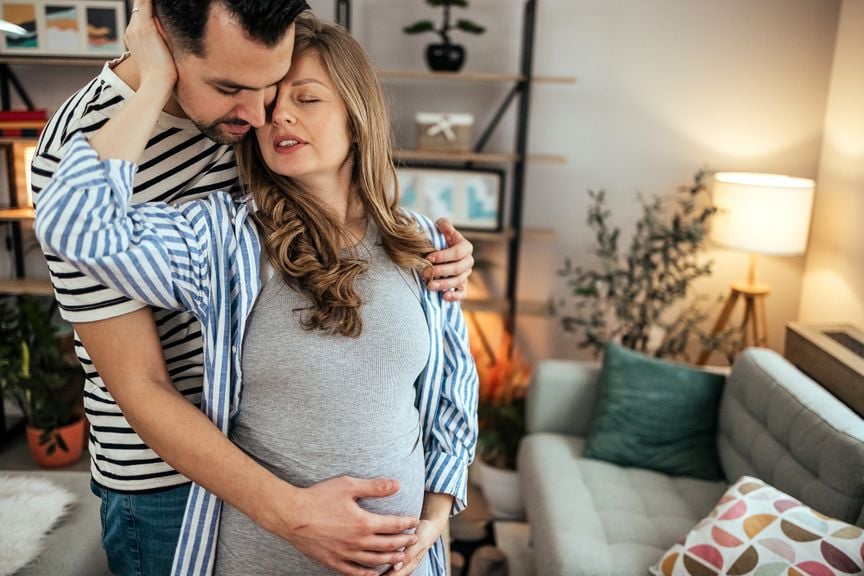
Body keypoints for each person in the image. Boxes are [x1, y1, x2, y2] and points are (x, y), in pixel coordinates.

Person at [29, 1, 475, 574]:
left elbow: (448, 392)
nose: (263, 115)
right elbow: (137, 380)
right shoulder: (215, 227)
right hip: (168, 483)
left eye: (287, 91)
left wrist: (434, 521)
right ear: (167, 46)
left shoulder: (412, 238)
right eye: (233, 87)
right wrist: (156, 80)